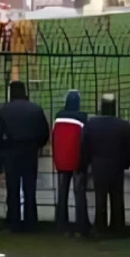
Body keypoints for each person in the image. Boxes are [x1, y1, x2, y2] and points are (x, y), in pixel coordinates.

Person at [0, 80, 50, 233]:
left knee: (13, 188)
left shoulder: (3, 109)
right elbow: (44, 133)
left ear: (10, 92)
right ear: (25, 92)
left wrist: (3, 149)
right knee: (29, 188)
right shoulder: (36, 109)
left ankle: (13, 222)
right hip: (30, 151)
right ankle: (31, 222)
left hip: (11, 151)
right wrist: (36, 145)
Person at [80, 94, 130, 237]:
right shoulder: (123, 125)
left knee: (100, 196)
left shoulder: (92, 124)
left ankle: (100, 226)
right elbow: (129, 147)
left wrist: (88, 162)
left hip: (99, 164)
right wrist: (125, 164)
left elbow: (85, 145)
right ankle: (118, 226)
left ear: (101, 107)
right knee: (117, 196)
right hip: (117, 164)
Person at [51, 89, 89, 236]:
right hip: (77, 160)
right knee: (79, 193)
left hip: (61, 160)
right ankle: (82, 226)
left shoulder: (58, 117)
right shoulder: (82, 118)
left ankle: (61, 225)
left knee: (62, 193)